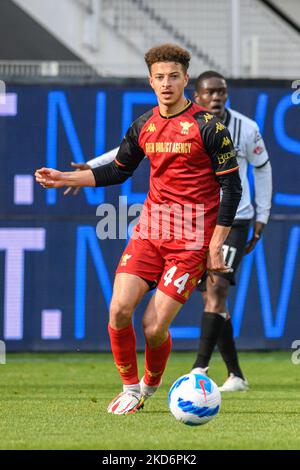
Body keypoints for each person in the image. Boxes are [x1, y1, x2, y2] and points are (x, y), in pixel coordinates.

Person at [35, 44, 242, 415]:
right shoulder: (144, 125)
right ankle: (130, 388)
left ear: (185, 80)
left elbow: (232, 188)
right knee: (118, 311)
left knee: (152, 327)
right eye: (160, 77)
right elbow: (118, 169)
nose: (166, 84)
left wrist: (215, 246)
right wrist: (67, 177)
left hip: (191, 240)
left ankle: (149, 385)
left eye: (173, 77)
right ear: (151, 80)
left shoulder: (210, 128)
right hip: (150, 232)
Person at [190, 71, 272, 392]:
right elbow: (135, 146)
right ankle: (235, 375)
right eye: (209, 93)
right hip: (198, 220)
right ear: (197, 96)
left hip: (236, 220)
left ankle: (199, 368)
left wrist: (262, 215)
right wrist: (94, 166)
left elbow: (263, 170)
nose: (216, 98)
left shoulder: (247, 128)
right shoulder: (187, 125)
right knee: (211, 298)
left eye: (221, 92)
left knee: (218, 290)